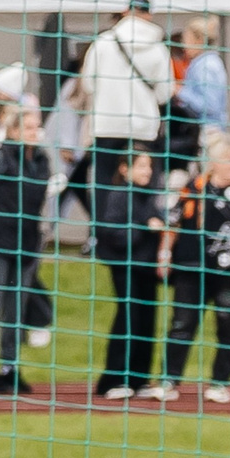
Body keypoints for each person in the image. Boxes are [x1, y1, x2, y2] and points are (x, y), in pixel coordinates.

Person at [155, 133, 230, 406]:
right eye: (229, 161)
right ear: (214, 163)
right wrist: (164, 254)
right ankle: (168, 379)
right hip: (193, 268)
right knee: (182, 324)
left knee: (228, 325)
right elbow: (172, 223)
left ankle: (220, 382)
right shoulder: (195, 188)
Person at [0, 105, 56, 397]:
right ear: (15, 131)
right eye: (30, 128)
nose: (36, 133)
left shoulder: (42, 161)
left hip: (26, 245)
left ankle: (9, 367)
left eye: (37, 127)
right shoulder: (1, 158)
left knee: (16, 310)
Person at [80, 0, 175, 214]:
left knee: (104, 187)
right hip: (143, 129)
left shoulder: (103, 43)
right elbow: (164, 93)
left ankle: (104, 237)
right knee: (144, 185)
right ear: (149, 15)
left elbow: (88, 84)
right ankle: (142, 237)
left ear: (125, 12)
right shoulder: (158, 48)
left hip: (106, 126)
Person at [93, 147, 169, 398]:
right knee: (128, 318)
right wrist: (144, 228)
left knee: (147, 322)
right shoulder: (119, 195)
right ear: (125, 169)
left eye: (149, 166)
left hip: (145, 267)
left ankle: (139, 379)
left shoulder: (149, 195)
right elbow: (112, 234)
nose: (147, 171)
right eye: (141, 166)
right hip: (126, 267)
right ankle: (114, 379)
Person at [174, 15, 230, 147]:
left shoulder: (206, 66)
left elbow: (210, 105)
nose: (183, 45)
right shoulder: (201, 63)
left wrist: (180, 91)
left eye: (186, 39)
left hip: (208, 134)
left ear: (198, 40)